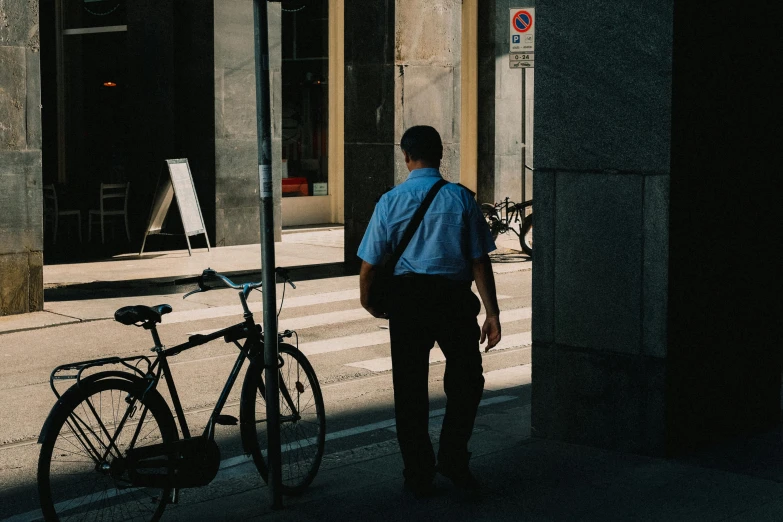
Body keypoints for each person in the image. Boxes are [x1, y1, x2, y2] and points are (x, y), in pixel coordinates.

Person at [357, 125, 502, 497]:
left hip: (408, 303)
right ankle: (453, 457)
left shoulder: (390, 201)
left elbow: (371, 264)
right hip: (454, 301)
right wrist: (493, 314)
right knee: (467, 383)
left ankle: (417, 472)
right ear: (441, 155)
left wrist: (369, 301)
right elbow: (479, 262)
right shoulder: (461, 199)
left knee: (409, 390)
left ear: (405, 156)